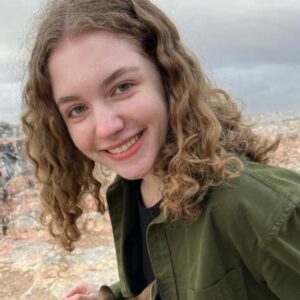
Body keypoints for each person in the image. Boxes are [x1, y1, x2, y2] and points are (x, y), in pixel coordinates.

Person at [22, 0, 300, 299]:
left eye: (122, 87)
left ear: (168, 76)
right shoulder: (131, 194)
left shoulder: (265, 210)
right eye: (77, 109)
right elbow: (171, 279)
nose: (105, 127)